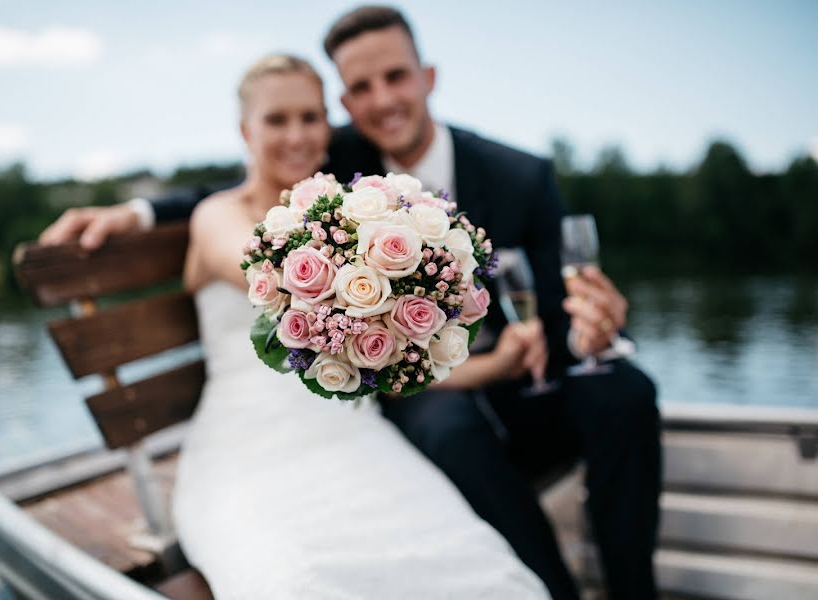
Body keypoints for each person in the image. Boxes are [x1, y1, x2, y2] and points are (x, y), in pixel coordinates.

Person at [40, 7, 660, 599]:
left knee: (625, 393)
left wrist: (593, 329)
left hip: (475, 382)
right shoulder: (329, 169)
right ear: (345, 106)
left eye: (396, 77)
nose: (382, 101)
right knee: (438, 439)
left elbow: (561, 310)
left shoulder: (511, 175)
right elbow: (230, 203)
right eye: (361, 87)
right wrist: (136, 210)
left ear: (428, 78)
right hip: (350, 404)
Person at [170, 53, 550, 598]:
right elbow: (266, 271)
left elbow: (391, 366)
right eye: (277, 120)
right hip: (246, 447)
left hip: (353, 432)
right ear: (244, 131)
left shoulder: (347, 220)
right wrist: (412, 254)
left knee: (474, 569)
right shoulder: (217, 217)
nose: (297, 135)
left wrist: (491, 353)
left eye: (310, 117)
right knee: (298, 582)